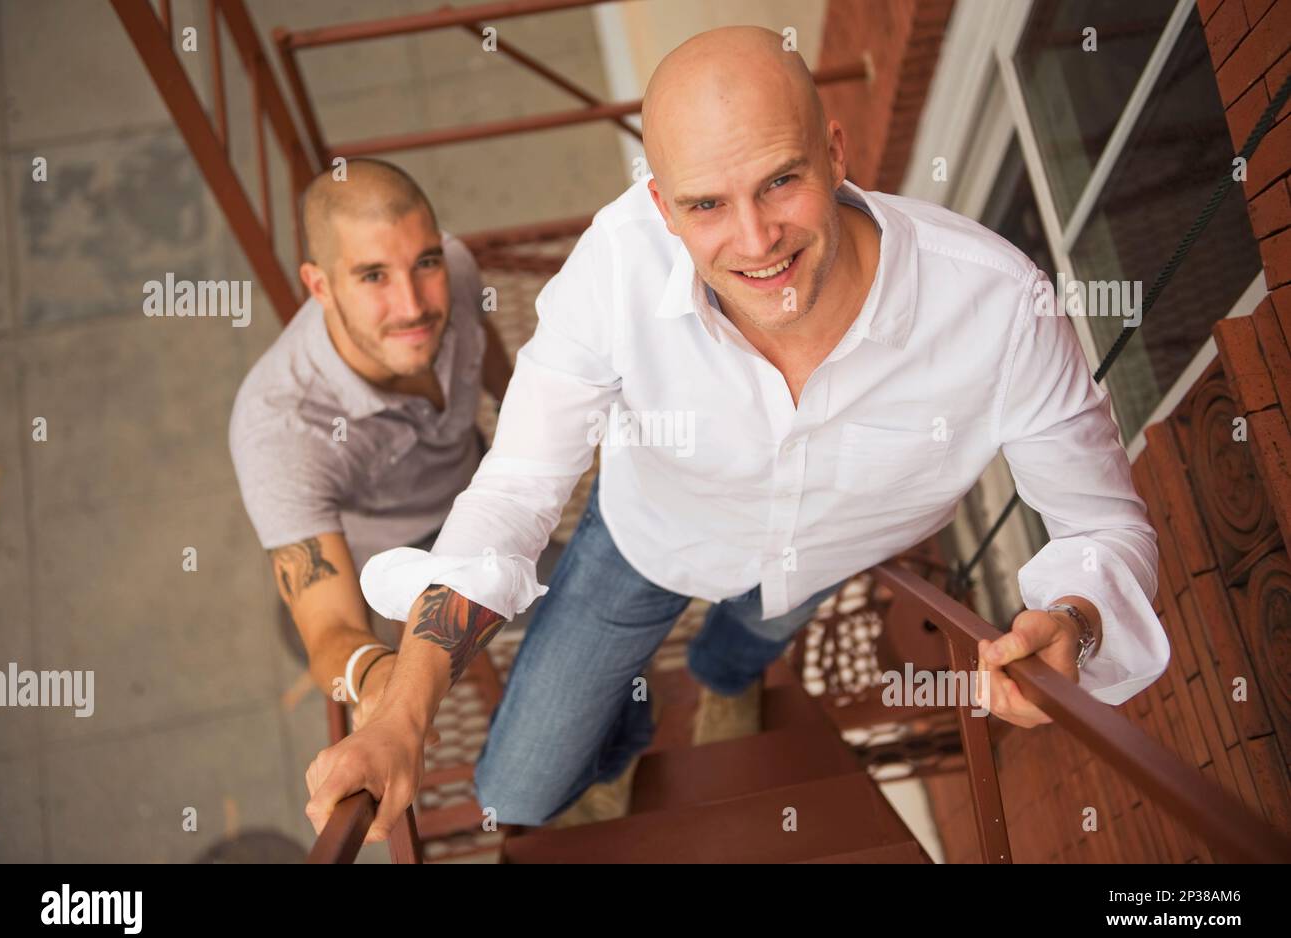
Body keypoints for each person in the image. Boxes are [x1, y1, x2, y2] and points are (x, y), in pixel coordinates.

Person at [304, 27, 1170, 842]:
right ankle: (629, 718)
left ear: (836, 151)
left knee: (746, 643)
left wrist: (1079, 622)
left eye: (781, 182)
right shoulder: (617, 266)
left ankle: (728, 676)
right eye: (707, 203)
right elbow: (519, 485)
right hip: (650, 537)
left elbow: (1104, 526)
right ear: (662, 206)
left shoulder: (1001, 306)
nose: (755, 242)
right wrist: (405, 711)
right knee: (515, 789)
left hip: (822, 557)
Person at [229, 158, 511, 731]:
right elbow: (330, 636)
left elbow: (486, 343)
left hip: (479, 483)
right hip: (396, 562)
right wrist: (382, 679)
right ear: (320, 286)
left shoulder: (454, 268)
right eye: (373, 275)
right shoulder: (279, 431)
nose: (413, 305)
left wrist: (521, 411)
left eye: (423, 262)